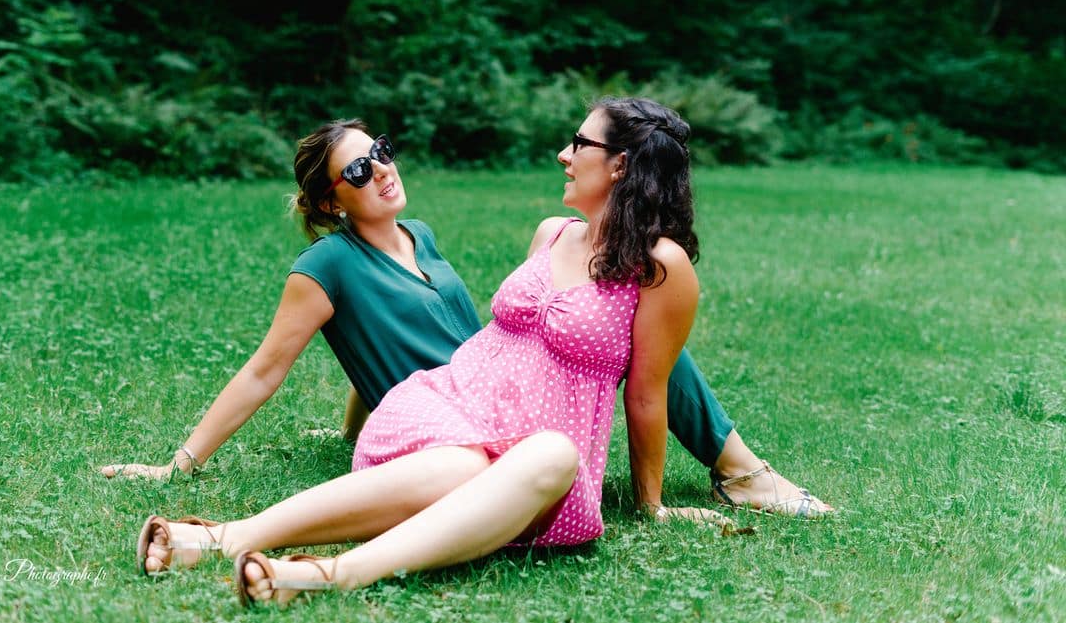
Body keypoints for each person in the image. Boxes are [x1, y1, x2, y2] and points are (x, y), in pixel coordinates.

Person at [136, 98, 784, 607]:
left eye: (579, 142)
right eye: (360, 169)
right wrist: (182, 460)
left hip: (530, 459)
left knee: (544, 455)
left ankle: (311, 570)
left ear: (619, 163)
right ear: (333, 197)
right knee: (473, 464)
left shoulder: (658, 266)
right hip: (439, 412)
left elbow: (647, 390)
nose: (563, 153)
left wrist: (649, 505)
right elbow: (276, 363)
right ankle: (233, 540)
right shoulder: (549, 232)